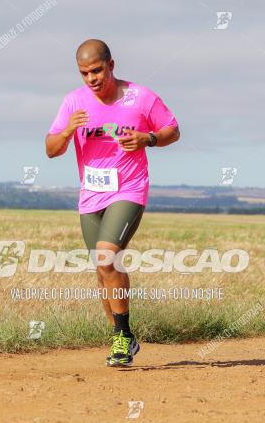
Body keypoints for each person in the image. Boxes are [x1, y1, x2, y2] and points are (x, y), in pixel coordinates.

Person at [45, 39, 180, 367]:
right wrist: (67, 133)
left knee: (107, 256)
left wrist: (147, 139)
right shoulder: (73, 102)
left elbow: (172, 130)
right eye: (84, 73)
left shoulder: (140, 97)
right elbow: (51, 149)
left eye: (97, 70)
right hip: (91, 196)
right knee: (104, 269)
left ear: (111, 65)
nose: (91, 78)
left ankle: (122, 334)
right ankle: (123, 340)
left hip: (129, 190)